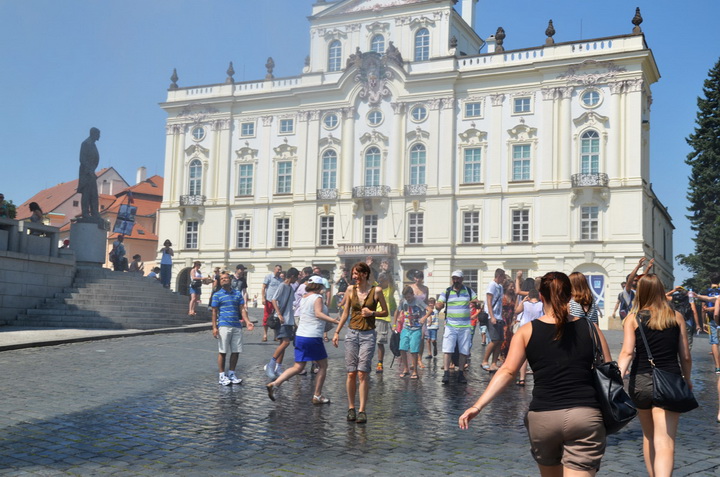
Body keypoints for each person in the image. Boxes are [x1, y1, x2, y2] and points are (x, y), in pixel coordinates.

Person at [460, 271, 612, 476]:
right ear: (570, 296)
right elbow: (609, 371)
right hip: (584, 416)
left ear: (541, 297)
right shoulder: (591, 328)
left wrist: (478, 406)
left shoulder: (526, 331)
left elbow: (507, 371)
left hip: (543, 418)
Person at [617, 274, 693, 477]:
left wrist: (616, 379)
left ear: (640, 292)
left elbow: (627, 353)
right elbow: (685, 356)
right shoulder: (675, 317)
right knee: (665, 442)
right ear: (661, 290)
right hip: (669, 381)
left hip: (640, 382)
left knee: (649, 437)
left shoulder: (632, 319)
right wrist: (687, 379)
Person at [266, 275, 340, 403]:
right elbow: (318, 313)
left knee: (298, 367)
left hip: (301, 335)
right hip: (312, 336)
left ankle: (275, 384)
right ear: (318, 286)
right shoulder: (317, 297)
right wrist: (333, 320)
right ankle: (317, 395)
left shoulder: (304, 297)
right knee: (323, 365)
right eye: (322, 285)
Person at [333, 262, 388, 424]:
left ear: (365, 274)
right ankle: (351, 407)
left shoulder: (376, 291)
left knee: (363, 372)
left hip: (368, 335)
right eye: (353, 274)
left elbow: (386, 311)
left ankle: (362, 410)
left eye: (357, 274)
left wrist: (372, 312)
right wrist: (337, 332)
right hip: (352, 334)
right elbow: (345, 313)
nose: (354, 277)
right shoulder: (351, 290)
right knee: (351, 372)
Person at [211, 272, 255, 385]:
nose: (224, 280)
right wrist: (214, 327)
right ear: (220, 282)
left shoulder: (237, 294)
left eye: (226, 278)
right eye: (222, 279)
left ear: (230, 280)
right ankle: (221, 375)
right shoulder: (217, 295)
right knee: (223, 351)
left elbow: (242, 309)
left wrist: (248, 321)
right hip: (224, 325)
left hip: (236, 325)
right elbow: (214, 312)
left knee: (236, 351)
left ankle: (231, 373)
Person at [436, 270, 479, 384]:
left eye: (458, 278)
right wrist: (439, 305)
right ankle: (446, 373)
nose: (456, 281)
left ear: (462, 279)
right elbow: (440, 302)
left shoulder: (468, 291)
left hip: (465, 326)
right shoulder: (447, 291)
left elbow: (476, 300)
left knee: (464, 350)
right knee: (447, 349)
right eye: (454, 278)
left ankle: (461, 373)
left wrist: (476, 302)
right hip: (451, 325)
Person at [265, 268, 300, 379]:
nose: (297, 279)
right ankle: (270, 365)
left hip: (288, 319)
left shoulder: (290, 288)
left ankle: (278, 367)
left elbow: (291, 304)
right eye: (297, 276)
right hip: (282, 319)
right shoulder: (283, 286)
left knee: (283, 344)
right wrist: (279, 314)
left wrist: (293, 322)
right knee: (285, 343)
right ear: (293, 276)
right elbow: (274, 299)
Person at [514, 288, 543, 386]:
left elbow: (517, 311)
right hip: (538, 330)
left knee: (524, 356)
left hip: (525, 330)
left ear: (529, 297)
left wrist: (522, 301)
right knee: (538, 356)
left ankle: (522, 379)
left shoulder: (525, 304)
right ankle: (539, 378)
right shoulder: (542, 305)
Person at [396, 286, 427, 379]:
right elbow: (397, 311)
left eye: (409, 297)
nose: (407, 299)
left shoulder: (418, 301)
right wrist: (395, 322)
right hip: (406, 327)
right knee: (402, 348)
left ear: (412, 294)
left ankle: (415, 372)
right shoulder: (403, 301)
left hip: (416, 329)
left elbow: (429, 309)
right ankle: (406, 369)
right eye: (406, 297)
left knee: (414, 351)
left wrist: (424, 318)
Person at [482, 268, 506, 372]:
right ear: (499, 276)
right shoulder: (492, 285)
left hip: (499, 316)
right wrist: (492, 316)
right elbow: (489, 301)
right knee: (494, 339)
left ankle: (494, 363)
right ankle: (485, 361)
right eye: (503, 277)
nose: (504, 279)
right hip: (492, 316)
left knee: (500, 340)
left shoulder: (500, 287)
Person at [374, 271, 396, 374]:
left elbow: (391, 282)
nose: (380, 281)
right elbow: (368, 279)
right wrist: (369, 266)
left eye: (383, 279)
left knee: (380, 342)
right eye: (380, 279)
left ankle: (380, 363)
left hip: (382, 318)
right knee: (367, 341)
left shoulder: (388, 290)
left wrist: (388, 271)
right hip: (371, 316)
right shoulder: (375, 288)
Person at [78, 127, 101, 220]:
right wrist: (89, 170)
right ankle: (85, 212)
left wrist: (93, 169)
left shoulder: (93, 145)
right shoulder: (85, 144)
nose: (99, 136)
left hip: (91, 172)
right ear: (93, 134)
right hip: (86, 173)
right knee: (86, 193)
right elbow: (82, 159)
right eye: (98, 134)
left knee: (94, 194)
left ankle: (94, 212)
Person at [261, 265, 283, 342]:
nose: (279, 271)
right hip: (269, 300)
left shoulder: (281, 280)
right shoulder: (269, 277)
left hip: (277, 301)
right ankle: (265, 334)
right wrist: (263, 297)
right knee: (266, 317)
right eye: (278, 269)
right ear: (275, 269)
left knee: (276, 318)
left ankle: (275, 335)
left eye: (280, 270)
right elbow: (264, 287)